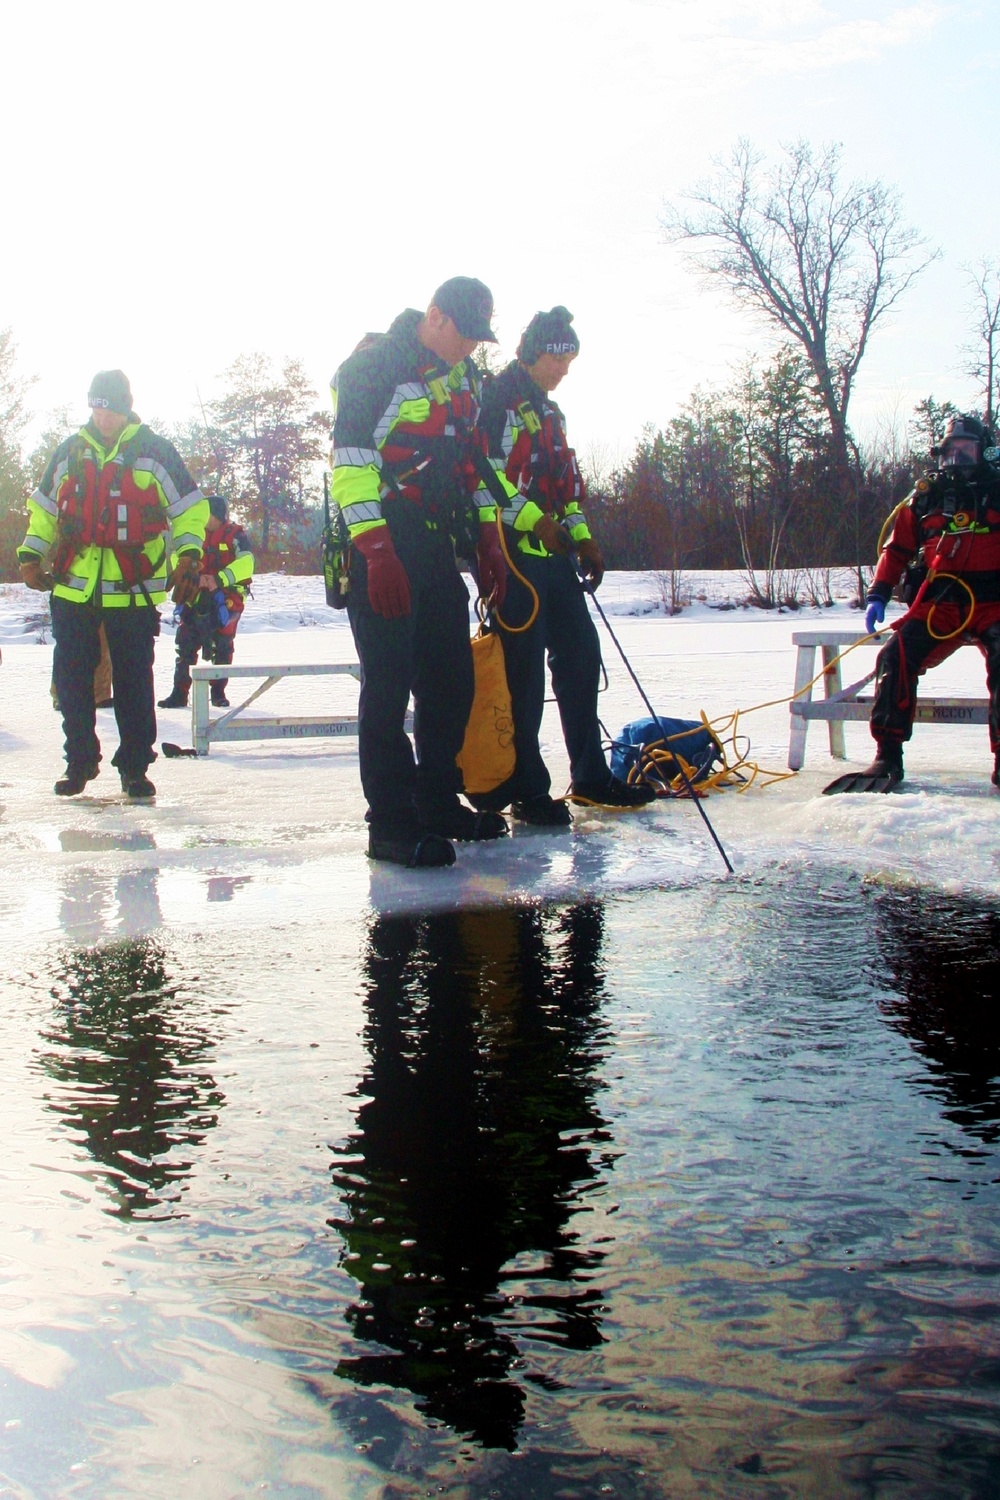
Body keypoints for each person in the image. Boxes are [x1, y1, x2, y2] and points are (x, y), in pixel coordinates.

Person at [331, 277, 509, 868]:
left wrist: (489, 536)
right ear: (434, 316)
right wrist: (376, 552)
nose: (471, 348)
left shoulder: (466, 378)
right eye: (465, 334)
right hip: (381, 539)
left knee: (449, 680)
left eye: (480, 338)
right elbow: (351, 465)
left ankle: (437, 799)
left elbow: (475, 465)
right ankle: (391, 823)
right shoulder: (374, 369)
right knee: (386, 686)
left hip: (435, 543)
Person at [474, 307, 655, 824]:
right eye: (559, 359)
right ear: (534, 352)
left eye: (570, 361)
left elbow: (566, 491)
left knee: (580, 660)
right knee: (523, 678)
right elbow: (485, 477)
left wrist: (583, 538)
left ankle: (590, 776)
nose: (565, 370)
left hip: (553, 561)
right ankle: (527, 789)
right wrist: (533, 522)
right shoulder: (496, 401)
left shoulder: (551, 414)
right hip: (510, 557)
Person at [18, 369, 207, 799]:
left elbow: (190, 511)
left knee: (135, 683)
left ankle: (135, 768)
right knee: (71, 682)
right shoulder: (68, 452)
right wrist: (30, 556)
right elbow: (44, 510)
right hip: (72, 590)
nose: (103, 418)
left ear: (126, 408)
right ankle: (79, 762)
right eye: (97, 409)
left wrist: (189, 556)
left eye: (111, 410)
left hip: (133, 592)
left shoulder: (156, 452)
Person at [863, 413, 1000, 787]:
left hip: (992, 606)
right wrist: (878, 592)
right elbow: (897, 549)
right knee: (894, 657)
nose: (957, 459)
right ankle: (887, 756)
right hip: (938, 606)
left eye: (966, 450)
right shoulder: (925, 498)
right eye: (950, 451)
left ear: (983, 451)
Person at [158, 495, 254, 710]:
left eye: (206, 514)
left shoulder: (236, 535)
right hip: (195, 596)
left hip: (225, 599)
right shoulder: (194, 534)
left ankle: (218, 694)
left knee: (223, 646)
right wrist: (190, 577)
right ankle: (179, 693)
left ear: (217, 516)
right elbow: (177, 558)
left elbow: (247, 563)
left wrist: (218, 579)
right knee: (185, 644)